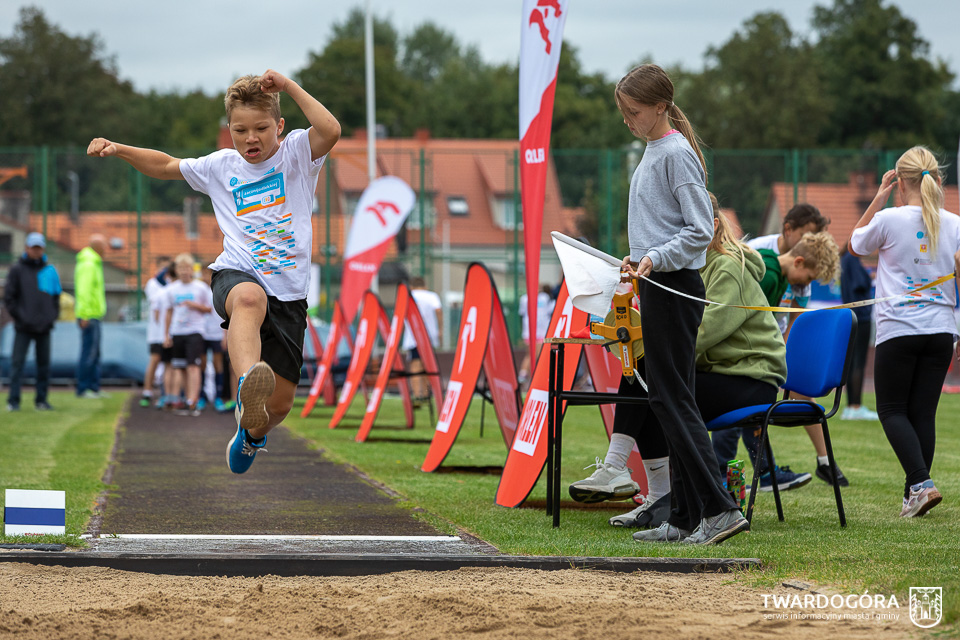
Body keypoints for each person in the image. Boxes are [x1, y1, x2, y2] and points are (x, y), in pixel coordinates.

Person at [88, 69, 340, 473]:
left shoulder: (297, 153)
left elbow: (330, 129)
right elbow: (166, 165)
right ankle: (245, 386)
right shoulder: (221, 166)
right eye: (241, 130)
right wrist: (119, 148)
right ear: (230, 131)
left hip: (290, 294)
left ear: (279, 126)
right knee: (248, 298)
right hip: (236, 272)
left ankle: (252, 432)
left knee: (281, 404)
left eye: (261, 128)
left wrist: (290, 86)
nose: (251, 139)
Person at [571, 197, 791, 530]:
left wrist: (651, 343)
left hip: (750, 380)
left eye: (681, 229)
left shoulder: (729, 266)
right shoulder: (688, 269)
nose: (674, 238)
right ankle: (657, 496)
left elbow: (702, 333)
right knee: (650, 376)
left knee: (654, 376)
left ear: (710, 227)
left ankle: (628, 473)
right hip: (716, 371)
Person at [614, 64, 746, 545]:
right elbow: (667, 226)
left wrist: (654, 257)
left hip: (675, 289)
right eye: (623, 112)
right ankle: (685, 517)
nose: (627, 119)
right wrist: (643, 256)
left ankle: (719, 509)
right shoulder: (655, 151)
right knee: (669, 400)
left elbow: (698, 227)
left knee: (672, 401)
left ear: (660, 107)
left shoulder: (675, 153)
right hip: (660, 285)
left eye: (634, 111)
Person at [849, 146, 960, 518]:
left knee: (892, 410)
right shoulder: (955, 223)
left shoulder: (890, 219)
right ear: (937, 181)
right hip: (942, 329)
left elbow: (855, 244)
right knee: (922, 414)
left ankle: (922, 484)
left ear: (899, 182)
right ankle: (913, 495)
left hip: (899, 328)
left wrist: (878, 198)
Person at [748, 208, 850, 487]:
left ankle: (824, 461)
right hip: (753, 343)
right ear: (788, 228)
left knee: (799, 391)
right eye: (806, 235)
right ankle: (760, 470)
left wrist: (783, 356)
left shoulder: (800, 268)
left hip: (772, 341)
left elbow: (794, 320)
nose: (810, 240)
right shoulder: (760, 255)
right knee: (749, 404)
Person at [4, 232, 61, 411]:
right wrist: (21, 317)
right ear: (27, 248)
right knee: (17, 364)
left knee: (43, 366)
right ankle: (13, 401)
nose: (36, 251)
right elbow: (9, 298)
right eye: (33, 247)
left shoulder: (49, 270)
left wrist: (50, 317)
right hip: (23, 327)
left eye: (39, 248)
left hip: (44, 327)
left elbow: (56, 297)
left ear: (42, 249)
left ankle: (41, 400)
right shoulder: (17, 270)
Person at [839, 245, 879, 421]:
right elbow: (859, 284)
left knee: (851, 361)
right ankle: (856, 406)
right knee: (858, 362)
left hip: (850, 315)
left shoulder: (845, 259)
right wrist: (870, 277)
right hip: (860, 316)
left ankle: (850, 406)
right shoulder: (852, 259)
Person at [74, 233, 107, 399]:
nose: (106, 248)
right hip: (89, 316)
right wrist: (85, 315)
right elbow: (84, 291)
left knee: (95, 353)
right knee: (88, 353)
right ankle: (83, 388)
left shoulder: (94, 262)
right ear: (97, 246)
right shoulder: (88, 264)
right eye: (104, 245)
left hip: (94, 315)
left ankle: (94, 387)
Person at [401, 275, 442, 403]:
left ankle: (417, 393)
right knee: (427, 365)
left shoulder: (408, 296)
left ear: (411, 286)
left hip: (412, 336)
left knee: (415, 365)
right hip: (429, 336)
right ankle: (425, 393)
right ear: (425, 285)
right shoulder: (432, 296)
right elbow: (438, 311)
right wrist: (440, 329)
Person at [141, 256, 173, 408]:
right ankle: (147, 391)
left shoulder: (171, 284)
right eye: (163, 268)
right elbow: (156, 307)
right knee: (154, 359)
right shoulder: (153, 284)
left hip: (169, 332)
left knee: (169, 363)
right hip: (156, 332)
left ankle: (166, 394)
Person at [517, 284, 554, 384]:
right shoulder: (525, 299)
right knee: (530, 354)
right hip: (529, 332)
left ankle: (535, 376)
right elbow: (522, 314)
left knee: (539, 354)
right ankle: (524, 375)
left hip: (542, 332)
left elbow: (549, 311)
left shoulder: (545, 298)